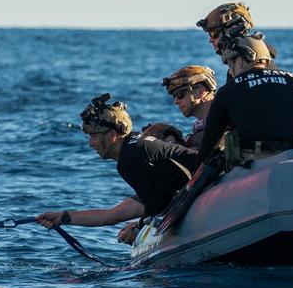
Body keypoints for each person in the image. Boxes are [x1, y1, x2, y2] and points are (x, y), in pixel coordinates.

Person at [36, 94, 200, 242]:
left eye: (94, 136)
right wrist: (63, 218)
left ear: (112, 135)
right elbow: (111, 216)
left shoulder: (130, 159)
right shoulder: (135, 148)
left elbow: (159, 205)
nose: (91, 143)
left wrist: (138, 227)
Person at [195, 33, 293, 160]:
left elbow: (210, 143)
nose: (231, 71)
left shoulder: (229, 89)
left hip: (252, 165)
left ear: (239, 61)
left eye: (230, 64)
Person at [161, 64, 217, 150]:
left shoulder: (222, 122)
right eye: (174, 96)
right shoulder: (201, 126)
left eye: (180, 95)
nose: (175, 101)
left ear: (201, 92)